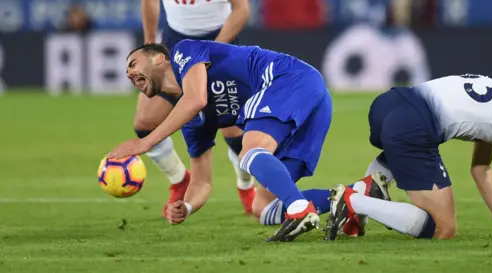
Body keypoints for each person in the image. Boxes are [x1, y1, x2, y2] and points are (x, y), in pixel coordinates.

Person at [109, 40, 342, 242]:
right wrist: (187, 207)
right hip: (311, 102)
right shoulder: (192, 122)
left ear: (160, 59)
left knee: (249, 153)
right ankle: (357, 196)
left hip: (287, 78)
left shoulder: (184, 52)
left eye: (133, 63)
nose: (129, 73)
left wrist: (146, 142)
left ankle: (299, 210)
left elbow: (196, 98)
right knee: (263, 208)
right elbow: (201, 182)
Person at [325, 74, 492, 240]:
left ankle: (363, 195)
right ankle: (353, 201)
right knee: (443, 229)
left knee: (402, 153)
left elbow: (481, 168)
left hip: (391, 103)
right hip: (415, 123)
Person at [134, 0, 253, 219]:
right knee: (145, 122)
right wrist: (149, 46)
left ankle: (245, 186)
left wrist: (214, 52)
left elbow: (241, 9)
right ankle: (178, 178)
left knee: (234, 131)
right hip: (173, 44)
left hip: (219, 42)